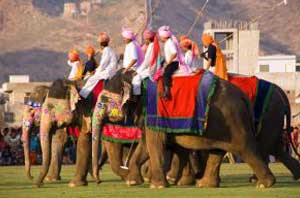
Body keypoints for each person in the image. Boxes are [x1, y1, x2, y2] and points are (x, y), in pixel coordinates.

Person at [79, 32, 118, 99]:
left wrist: (96, 72)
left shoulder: (106, 51)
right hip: (109, 71)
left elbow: (103, 64)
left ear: (100, 44)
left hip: (107, 72)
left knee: (91, 79)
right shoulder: (109, 50)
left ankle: (82, 96)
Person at [158, 26, 191, 99]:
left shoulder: (170, 43)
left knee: (166, 74)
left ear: (164, 37)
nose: (160, 38)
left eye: (160, 36)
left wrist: (168, 62)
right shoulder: (167, 43)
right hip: (170, 62)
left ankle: (167, 93)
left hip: (173, 63)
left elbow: (174, 53)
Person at [132, 29, 160, 95]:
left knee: (136, 78)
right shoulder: (153, 45)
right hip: (152, 67)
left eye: (145, 39)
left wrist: (137, 71)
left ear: (148, 39)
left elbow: (146, 62)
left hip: (151, 69)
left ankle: (136, 96)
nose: (144, 41)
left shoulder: (151, 46)